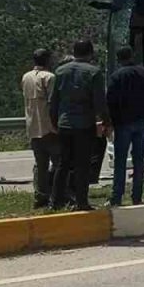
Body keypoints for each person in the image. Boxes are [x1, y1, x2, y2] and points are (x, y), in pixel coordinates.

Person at [49, 41, 108, 211]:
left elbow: (54, 101)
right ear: (90, 53)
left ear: (74, 52)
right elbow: (99, 102)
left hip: (64, 124)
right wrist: (106, 121)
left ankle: (55, 201)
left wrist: (54, 122)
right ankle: (81, 201)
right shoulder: (94, 72)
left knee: (63, 163)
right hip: (84, 125)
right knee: (82, 165)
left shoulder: (60, 71)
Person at [105, 46, 144, 207]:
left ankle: (116, 197)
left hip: (122, 123)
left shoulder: (116, 76)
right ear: (132, 56)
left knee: (120, 160)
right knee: (139, 159)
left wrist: (108, 123)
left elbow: (109, 101)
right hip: (142, 121)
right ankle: (137, 196)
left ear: (118, 59)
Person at [22, 49, 60, 209]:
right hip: (48, 127)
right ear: (47, 60)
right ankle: (57, 195)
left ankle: (40, 196)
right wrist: (56, 125)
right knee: (59, 163)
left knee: (41, 164)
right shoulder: (50, 77)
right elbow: (52, 103)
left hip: (33, 127)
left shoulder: (26, 77)